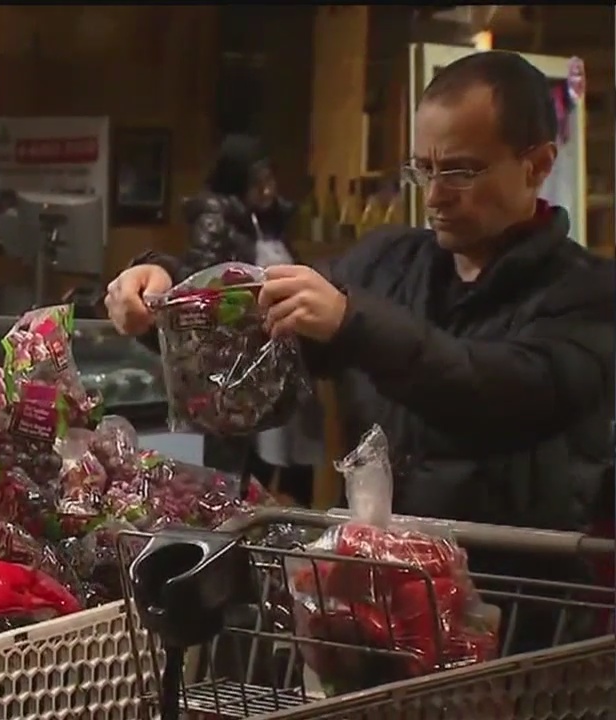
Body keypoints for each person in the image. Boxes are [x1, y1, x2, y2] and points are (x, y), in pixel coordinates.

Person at [110, 49, 614, 651]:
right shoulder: (387, 261)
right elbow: (251, 340)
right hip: (376, 617)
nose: (434, 195)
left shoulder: (587, 293)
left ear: (536, 165)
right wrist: (165, 298)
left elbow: (496, 394)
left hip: (522, 628)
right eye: (422, 170)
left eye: (460, 171)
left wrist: (353, 323)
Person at [151, 134, 322, 501]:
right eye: (258, 180)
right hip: (239, 362)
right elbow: (202, 293)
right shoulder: (217, 221)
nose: (268, 188)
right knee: (238, 473)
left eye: (270, 178)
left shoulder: (270, 221)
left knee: (292, 462)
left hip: (281, 356)